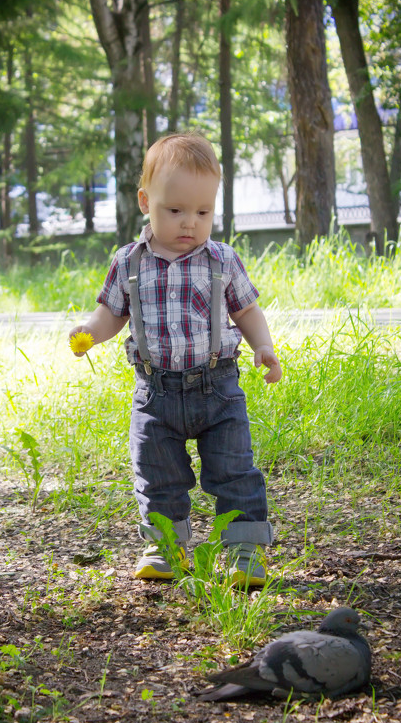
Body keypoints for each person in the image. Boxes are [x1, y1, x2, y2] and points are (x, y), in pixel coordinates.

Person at [69, 133, 282, 587]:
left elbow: (246, 310)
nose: (190, 223)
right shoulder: (129, 262)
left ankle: (244, 551)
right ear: (146, 201)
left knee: (234, 471)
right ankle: (167, 548)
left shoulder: (222, 259)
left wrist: (263, 347)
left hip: (218, 389)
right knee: (157, 473)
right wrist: (91, 332)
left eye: (203, 212)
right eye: (176, 210)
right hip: (156, 394)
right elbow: (112, 312)